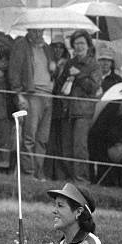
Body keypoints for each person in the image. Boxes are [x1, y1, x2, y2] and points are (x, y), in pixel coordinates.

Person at [8, 27, 55, 180]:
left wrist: (54, 68)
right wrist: (19, 95)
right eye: (35, 31)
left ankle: (38, 171)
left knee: (43, 138)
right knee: (30, 136)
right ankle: (28, 173)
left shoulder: (47, 48)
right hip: (32, 94)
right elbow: (14, 71)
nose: (38, 34)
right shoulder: (21, 45)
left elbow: (51, 71)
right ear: (29, 30)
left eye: (41, 31)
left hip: (48, 94)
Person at [57, 30, 101, 183]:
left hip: (83, 112)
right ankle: (70, 178)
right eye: (76, 43)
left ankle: (82, 179)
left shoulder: (94, 64)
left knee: (79, 147)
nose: (79, 46)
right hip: (68, 110)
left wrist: (79, 74)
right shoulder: (70, 62)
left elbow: (93, 87)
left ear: (88, 45)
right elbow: (60, 85)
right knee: (66, 147)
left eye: (82, 43)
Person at [46, 34, 70, 180]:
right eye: (55, 46)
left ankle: (61, 175)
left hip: (61, 107)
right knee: (48, 141)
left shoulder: (67, 63)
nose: (58, 49)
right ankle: (48, 172)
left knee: (61, 143)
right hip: (49, 103)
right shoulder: (47, 60)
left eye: (61, 47)